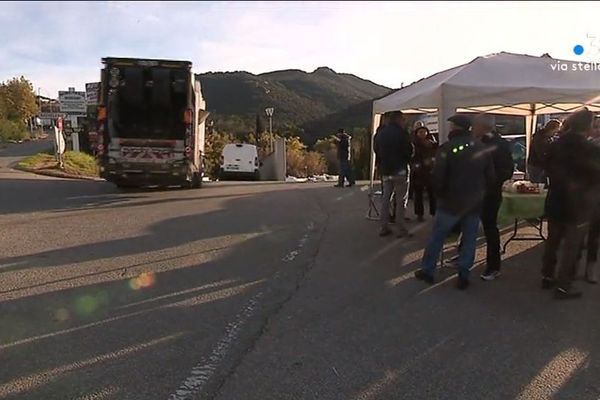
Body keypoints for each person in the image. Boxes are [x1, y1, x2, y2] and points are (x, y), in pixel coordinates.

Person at [414, 115, 495, 290]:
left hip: (451, 201)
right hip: (474, 201)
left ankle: (428, 270)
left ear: (455, 127)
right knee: (469, 238)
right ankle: (464, 274)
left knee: (438, 236)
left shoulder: (446, 147)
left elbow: (438, 176)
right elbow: (490, 177)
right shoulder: (482, 147)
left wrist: (440, 195)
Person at [541, 108, 600, 299]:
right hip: (579, 205)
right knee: (572, 248)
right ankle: (564, 285)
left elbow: (547, 169)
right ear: (588, 126)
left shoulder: (556, 144)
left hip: (557, 199)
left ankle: (547, 275)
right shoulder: (591, 149)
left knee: (553, 241)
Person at [471, 114, 514, 280]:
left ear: (483, 126)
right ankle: (462, 254)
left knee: (490, 228)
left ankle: (493, 266)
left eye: (475, 125)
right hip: (474, 191)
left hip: (489, 193)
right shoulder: (478, 141)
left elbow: (506, 170)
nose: (473, 128)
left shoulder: (499, 144)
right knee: (470, 224)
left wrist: (488, 182)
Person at [373, 111, 414, 238]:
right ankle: (401, 228)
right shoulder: (402, 134)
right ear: (399, 119)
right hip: (400, 169)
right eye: (403, 119)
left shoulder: (380, 133)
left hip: (386, 169)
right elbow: (409, 151)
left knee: (386, 199)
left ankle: (383, 226)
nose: (404, 121)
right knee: (401, 200)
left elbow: (376, 150)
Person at [411, 126, 438, 222]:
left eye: (424, 132)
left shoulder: (432, 143)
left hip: (430, 171)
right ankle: (419, 214)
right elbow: (413, 157)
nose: (422, 134)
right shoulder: (414, 144)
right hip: (419, 172)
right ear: (417, 133)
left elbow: (437, 152)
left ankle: (434, 212)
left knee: (432, 194)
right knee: (418, 194)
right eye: (420, 132)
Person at [527, 119, 561, 184]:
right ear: (552, 128)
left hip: (539, 165)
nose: (557, 132)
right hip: (536, 165)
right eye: (557, 129)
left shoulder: (546, 137)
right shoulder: (540, 138)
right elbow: (541, 153)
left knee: (540, 184)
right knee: (537, 184)